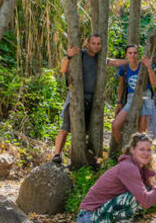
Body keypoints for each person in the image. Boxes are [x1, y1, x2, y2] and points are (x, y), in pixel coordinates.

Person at [73, 133, 156, 223]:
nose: (146, 153)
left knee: (145, 191)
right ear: (132, 150)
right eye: (141, 149)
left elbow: (152, 195)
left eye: (148, 150)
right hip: (89, 222)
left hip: (99, 217)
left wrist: (153, 181)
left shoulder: (138, 168)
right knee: (135, 197)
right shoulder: (128, 167)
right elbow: (145, 201)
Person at [52, 33, 125, 164]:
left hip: (91, 99)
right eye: (93, 43)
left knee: (84, 131)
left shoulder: (99, 59)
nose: (96, 46)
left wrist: (132, 61)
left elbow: (114, 62)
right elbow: (63, 69)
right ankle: (56, 155)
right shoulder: (80, 55)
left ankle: (84, 158)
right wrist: (68, 56)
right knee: (65, 127)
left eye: (98, 44)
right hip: (75, 96)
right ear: (88, 44)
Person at [111, 45, 156, 145]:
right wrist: (119, 102)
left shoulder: (144, 66)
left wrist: (149, 67)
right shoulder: (124, 68)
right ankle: (125, 150)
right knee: (115, 125)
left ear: (138, 54)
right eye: (130, 53)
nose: (132, 55)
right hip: (131, 98)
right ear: (126, 55)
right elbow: (121, 86)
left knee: (142, 130)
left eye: (135, 53)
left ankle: (139, 155)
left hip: (146, 96)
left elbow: (154, 84)